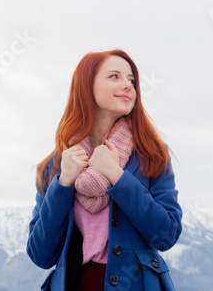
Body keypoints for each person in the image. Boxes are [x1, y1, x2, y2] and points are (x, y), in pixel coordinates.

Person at [26, 49, 182, 291]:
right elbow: (41, 255)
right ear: (87, 86)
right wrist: (64, 183)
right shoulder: (56, 165)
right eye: (114, 76)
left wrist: (118, 177)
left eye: (131, 80)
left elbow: (166, 234)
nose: (128, 85)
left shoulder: (152, 155)